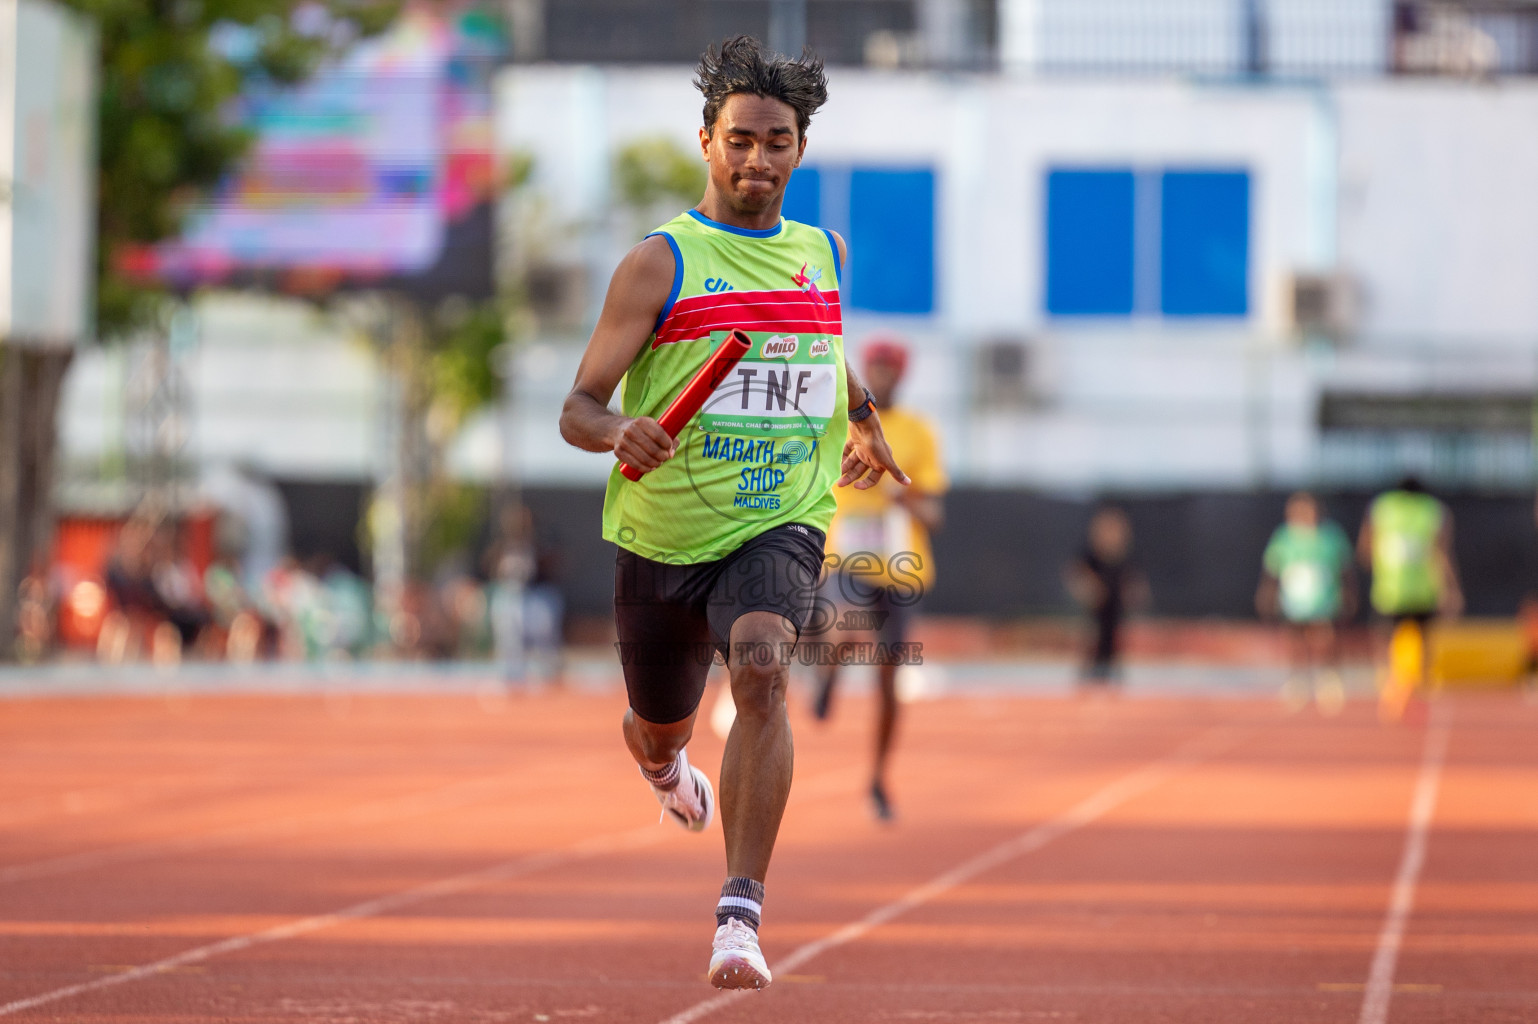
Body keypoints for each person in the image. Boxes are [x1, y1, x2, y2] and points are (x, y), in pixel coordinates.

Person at [557, 36, 906, 991]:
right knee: (657, 728)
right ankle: (669, 773)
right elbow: (576, 405)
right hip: (663, 534)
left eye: (778, 142)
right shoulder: (658, 263)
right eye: (741, 140)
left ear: (801, 149)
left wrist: (864, 421)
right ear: (707, 141)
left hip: (780, 519)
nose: (759, 160)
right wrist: (619, 429)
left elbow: (820, 353)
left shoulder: (821, 254)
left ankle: (739, 914)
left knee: (762, 671)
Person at [812, 337, 945, 821]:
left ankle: (878, 777)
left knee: (891, 677)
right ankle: (828, 673)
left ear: (902, 375)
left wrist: (902, 495)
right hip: (847, 554)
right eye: (875, 367)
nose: (882, 375)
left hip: (900, 564)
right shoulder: (834, 422)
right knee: (845, 627)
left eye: (891, 368)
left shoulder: (918, 432)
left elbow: (934, 511)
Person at [1358, 475, 1463, 720]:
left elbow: (1366, 547)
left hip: (1390, 589)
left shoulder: (1382, 508)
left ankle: (1390, 687)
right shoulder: (1434, 511)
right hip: (1422, 589)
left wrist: (1378, 565)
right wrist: (1451, 589)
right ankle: (1418, 691)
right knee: (1423, 642)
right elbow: (1442, 552)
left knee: (1387, 640)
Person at [1256, 492, 1356, 715]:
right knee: (1295, 641)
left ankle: (1328, 681)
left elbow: (1345, 567)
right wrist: (1267, 593)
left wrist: (1349, 592)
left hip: (1324, 599)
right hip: (1294, 600)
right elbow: (1272, 568)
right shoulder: (1283, 537)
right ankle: (1298, 682)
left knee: (1324, 639)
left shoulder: (1331, 536)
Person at [1065, 506, 1147, 686]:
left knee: (1114, 634)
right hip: (1096, 607)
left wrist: (1133, 592)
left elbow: (1134, 581)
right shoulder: (1090, 555)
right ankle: (1091, 668)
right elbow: (1076, 573)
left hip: (1115, 607)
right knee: (1093, 634)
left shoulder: (1124, 559)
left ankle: (1109, 666)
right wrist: (1088, 588)